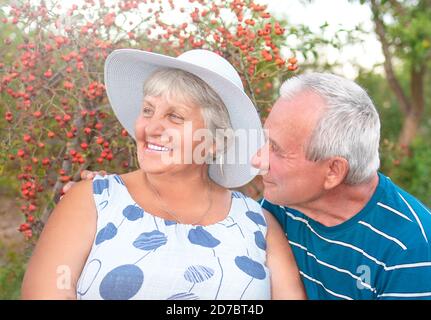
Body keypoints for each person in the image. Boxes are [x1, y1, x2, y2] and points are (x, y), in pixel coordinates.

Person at [21, 49, 306, 300]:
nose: (150, 127)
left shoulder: (258, 224)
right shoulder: (93, 201)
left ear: (214, 141)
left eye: (174, 117)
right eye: (148, 110)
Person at [252, 73, 431, 300]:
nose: (257, 160)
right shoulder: (281, 204)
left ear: (333, 171)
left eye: (276, 149)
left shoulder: (410, 249)